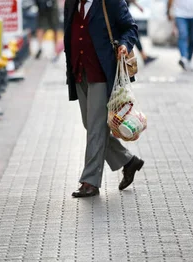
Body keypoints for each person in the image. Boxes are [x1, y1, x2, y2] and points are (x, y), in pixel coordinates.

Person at [63, 0, 144, 197]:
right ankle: (128, 161)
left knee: (96, 128)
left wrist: (124, 44)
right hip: (79, 72)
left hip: (102, 74)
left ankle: (90, 181)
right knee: (90, 125)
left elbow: (131, 27)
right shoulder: (72, 2)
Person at [167, 0, 193, 71]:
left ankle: (189, 60)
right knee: (183, 35)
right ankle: (183, 58)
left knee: (192, 39)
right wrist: (168, 11)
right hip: (180, 14)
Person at [125, 0, 157, 65]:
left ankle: (144, 56)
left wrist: (138, 6)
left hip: (124, 12)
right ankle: (143, 57)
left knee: (134, 33)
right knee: (133, 32)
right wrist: (138, 6)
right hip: (122, 13)